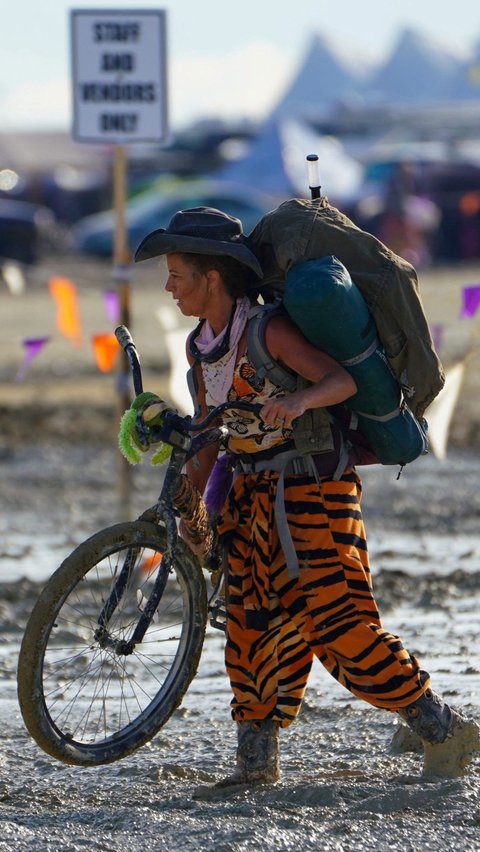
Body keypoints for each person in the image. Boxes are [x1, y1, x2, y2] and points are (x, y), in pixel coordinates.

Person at [134, 206, 479, 786]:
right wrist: (190, 511)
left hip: (314, 491)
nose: (168, 287)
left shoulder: (268, 331)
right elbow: (210, 440)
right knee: (249, 626)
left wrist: (296, 403)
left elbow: (339, 381)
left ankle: (445, 728)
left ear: (211, 278)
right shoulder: (199, 351)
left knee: (338, 623)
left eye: (177, 274)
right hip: (250, 499)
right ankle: (255, 765)